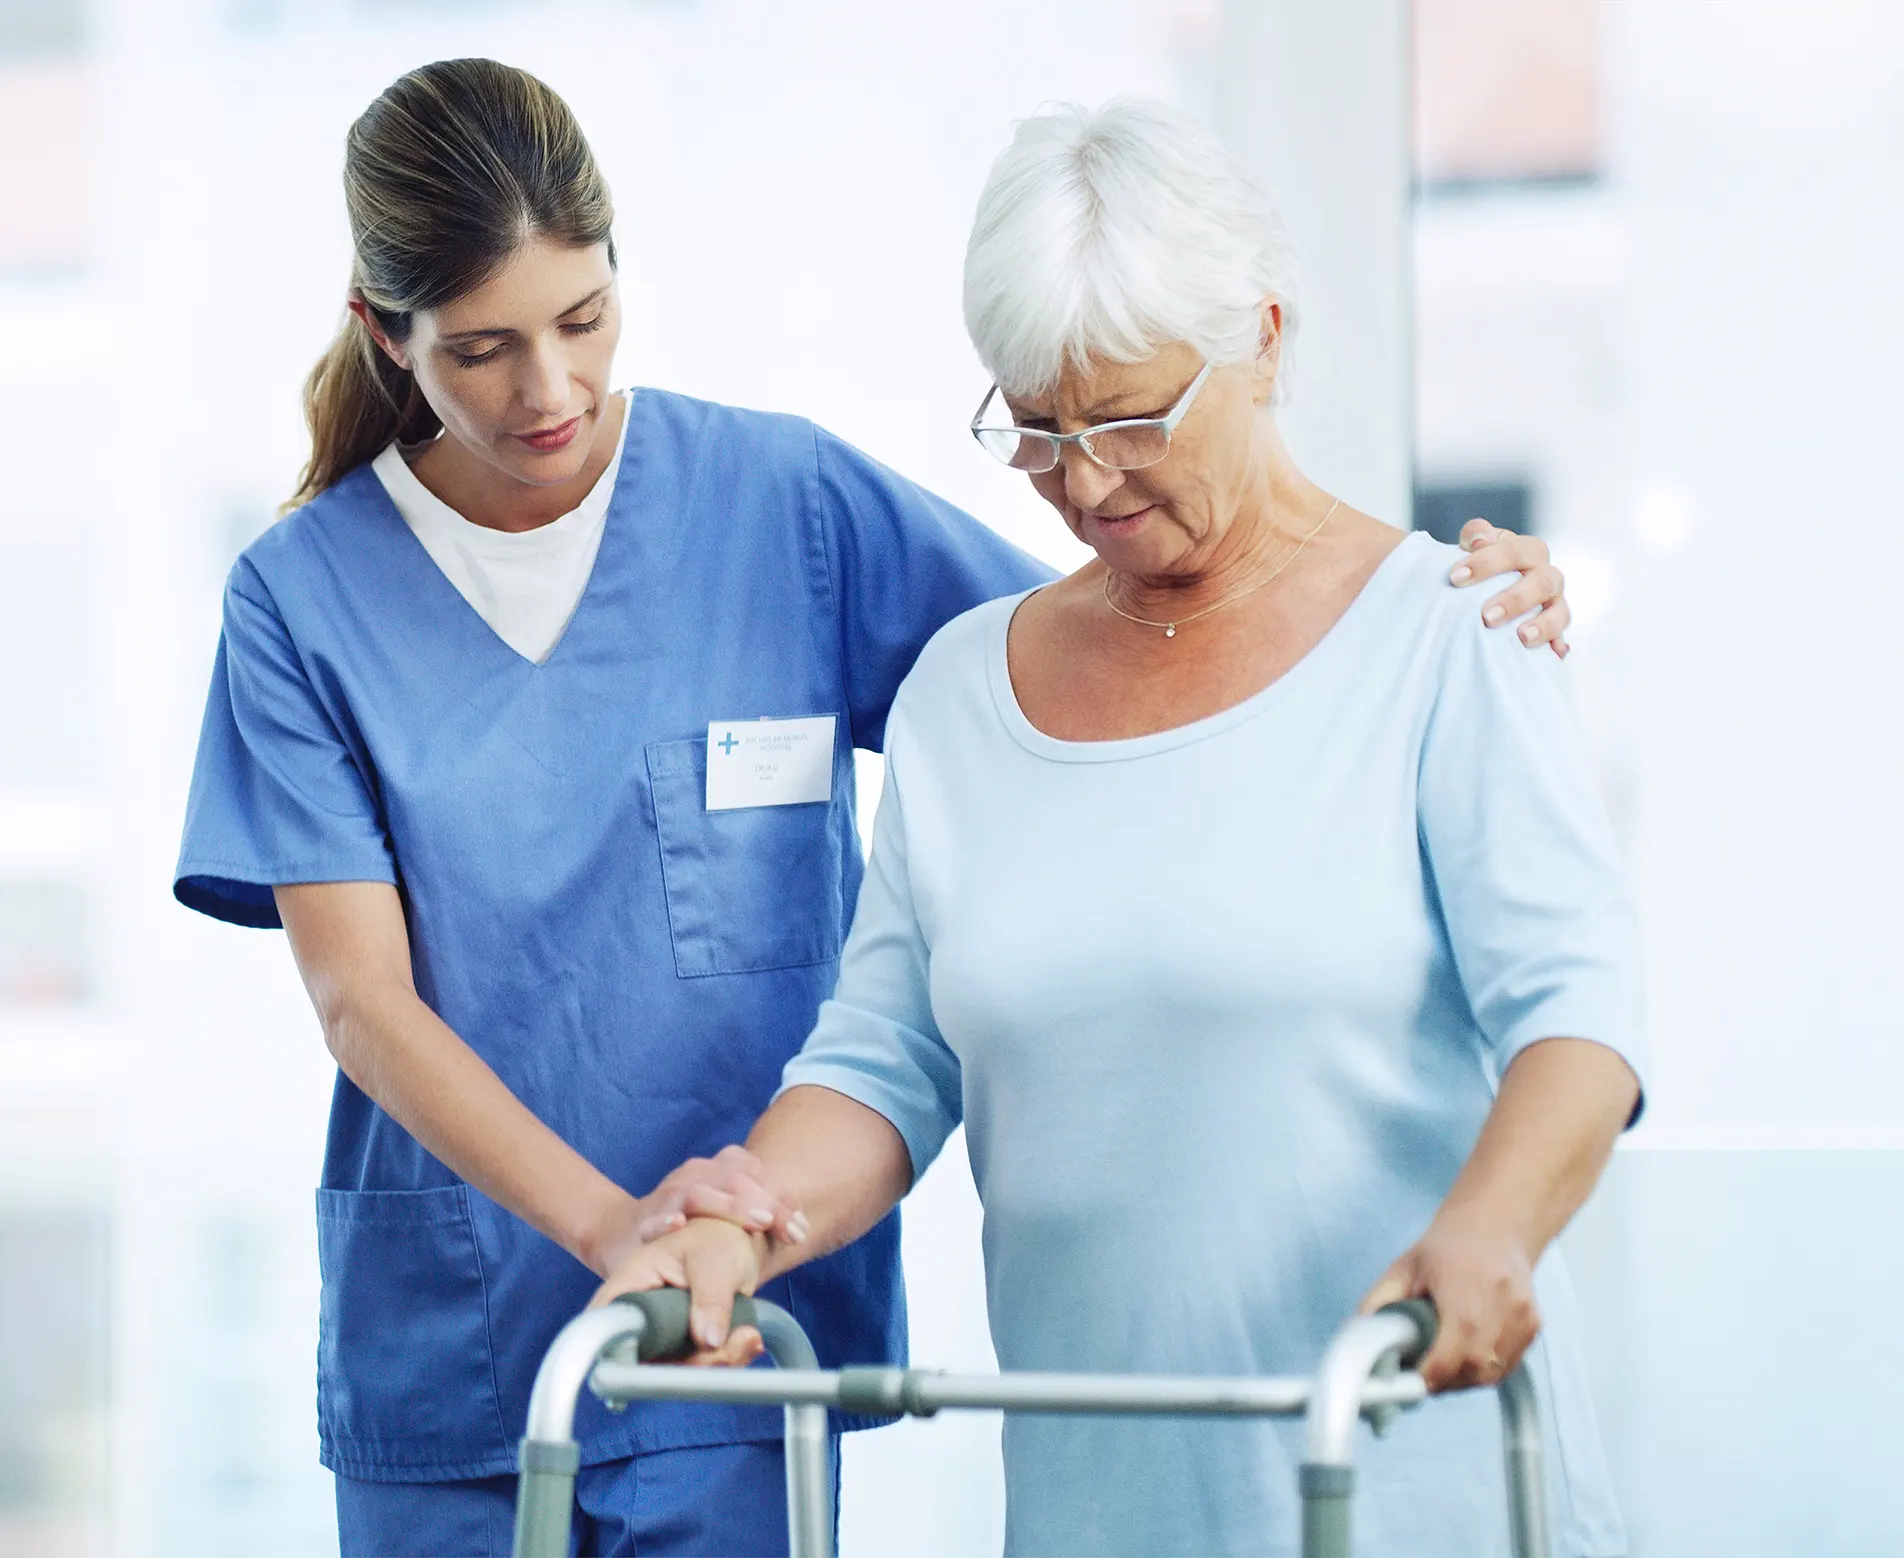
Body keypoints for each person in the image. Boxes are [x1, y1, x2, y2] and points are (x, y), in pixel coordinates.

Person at [175, 62, 1574, 1557]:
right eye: (484, 350)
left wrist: (1400, 606)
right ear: (382, 333)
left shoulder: (786, 508)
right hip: (458, 1335)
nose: (550, 391)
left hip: (734, 1330)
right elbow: (362, 1007)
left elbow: (1141, 653)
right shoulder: (301, 598)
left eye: (583, 321)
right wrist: (617, 1230)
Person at [596, 99, 1643, 1557]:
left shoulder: (1450, 634)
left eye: (1133, 419)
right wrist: (743, 1217)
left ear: (1266, 338)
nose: (1085, 481)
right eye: (1036, 428)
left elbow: (1578, 1016)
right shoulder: (968, 690)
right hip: (1108, 1503)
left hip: (1411, 1471)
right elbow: (884, 1058)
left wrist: (1495, 1226)